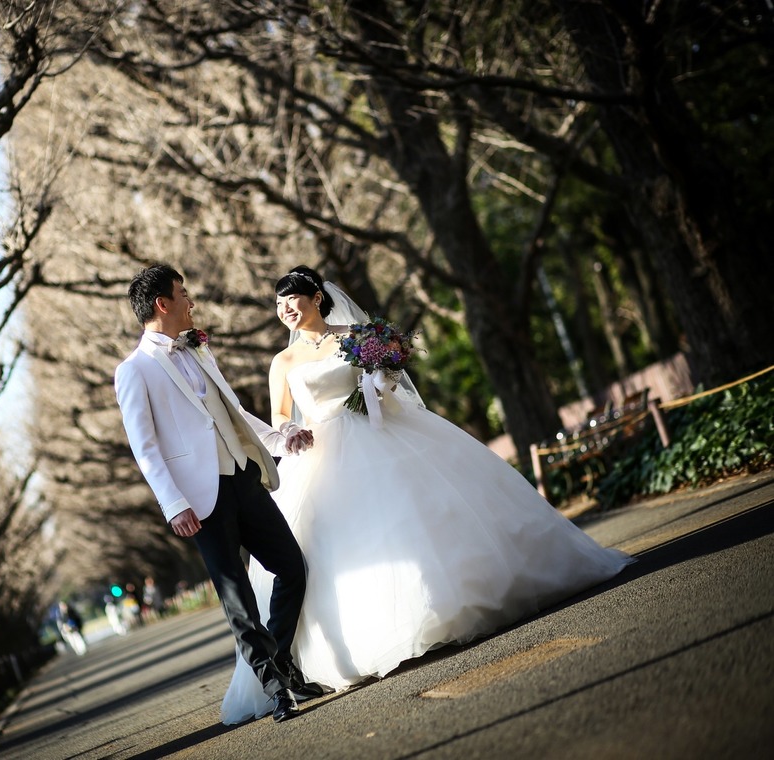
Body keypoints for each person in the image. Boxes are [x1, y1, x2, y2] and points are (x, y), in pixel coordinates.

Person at [219, 265, 634, 724]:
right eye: (279, 304)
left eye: (292, 299)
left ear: (317, 297)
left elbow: (386, 384)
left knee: (421, 511)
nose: (285, 310)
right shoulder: (283, 361)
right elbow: (280, 415)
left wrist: (383, 380)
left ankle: (458, 600)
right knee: (350, 539)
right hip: (319, 451)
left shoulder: (357, 336)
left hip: (378, 432)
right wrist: (289, 431)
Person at [115, 263, 321, 722]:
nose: (191, 302)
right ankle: (276, 689)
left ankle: (280, 660)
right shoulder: (134, 371)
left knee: (292, 567)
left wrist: (280, 438)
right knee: (238, 599)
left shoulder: (199, 349)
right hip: (199, 500)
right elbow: (145, 449)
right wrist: (174, 504)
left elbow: (233, 411)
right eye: (183, 294)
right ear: (162, 304)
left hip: (243, 476)